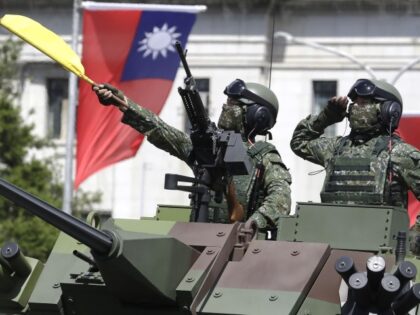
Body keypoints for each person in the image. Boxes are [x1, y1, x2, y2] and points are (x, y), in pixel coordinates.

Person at [94, 79, 291, 230]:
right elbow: (160, 130)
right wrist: (122, 102)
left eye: (233, 103)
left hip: (239, 247)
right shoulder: (210, 146)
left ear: (257, 114)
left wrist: (254, 224)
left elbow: (280, 199)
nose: (225, 106)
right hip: (197, 235)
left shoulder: (265, 157)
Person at [290, 78, 420, 208]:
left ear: (388, 110)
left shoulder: (399, 153)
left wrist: (413, 229)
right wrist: (327, 117)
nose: (355, 107)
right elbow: (299, 142)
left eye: (363, 103)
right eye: (354, 103)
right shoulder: (336, 147)